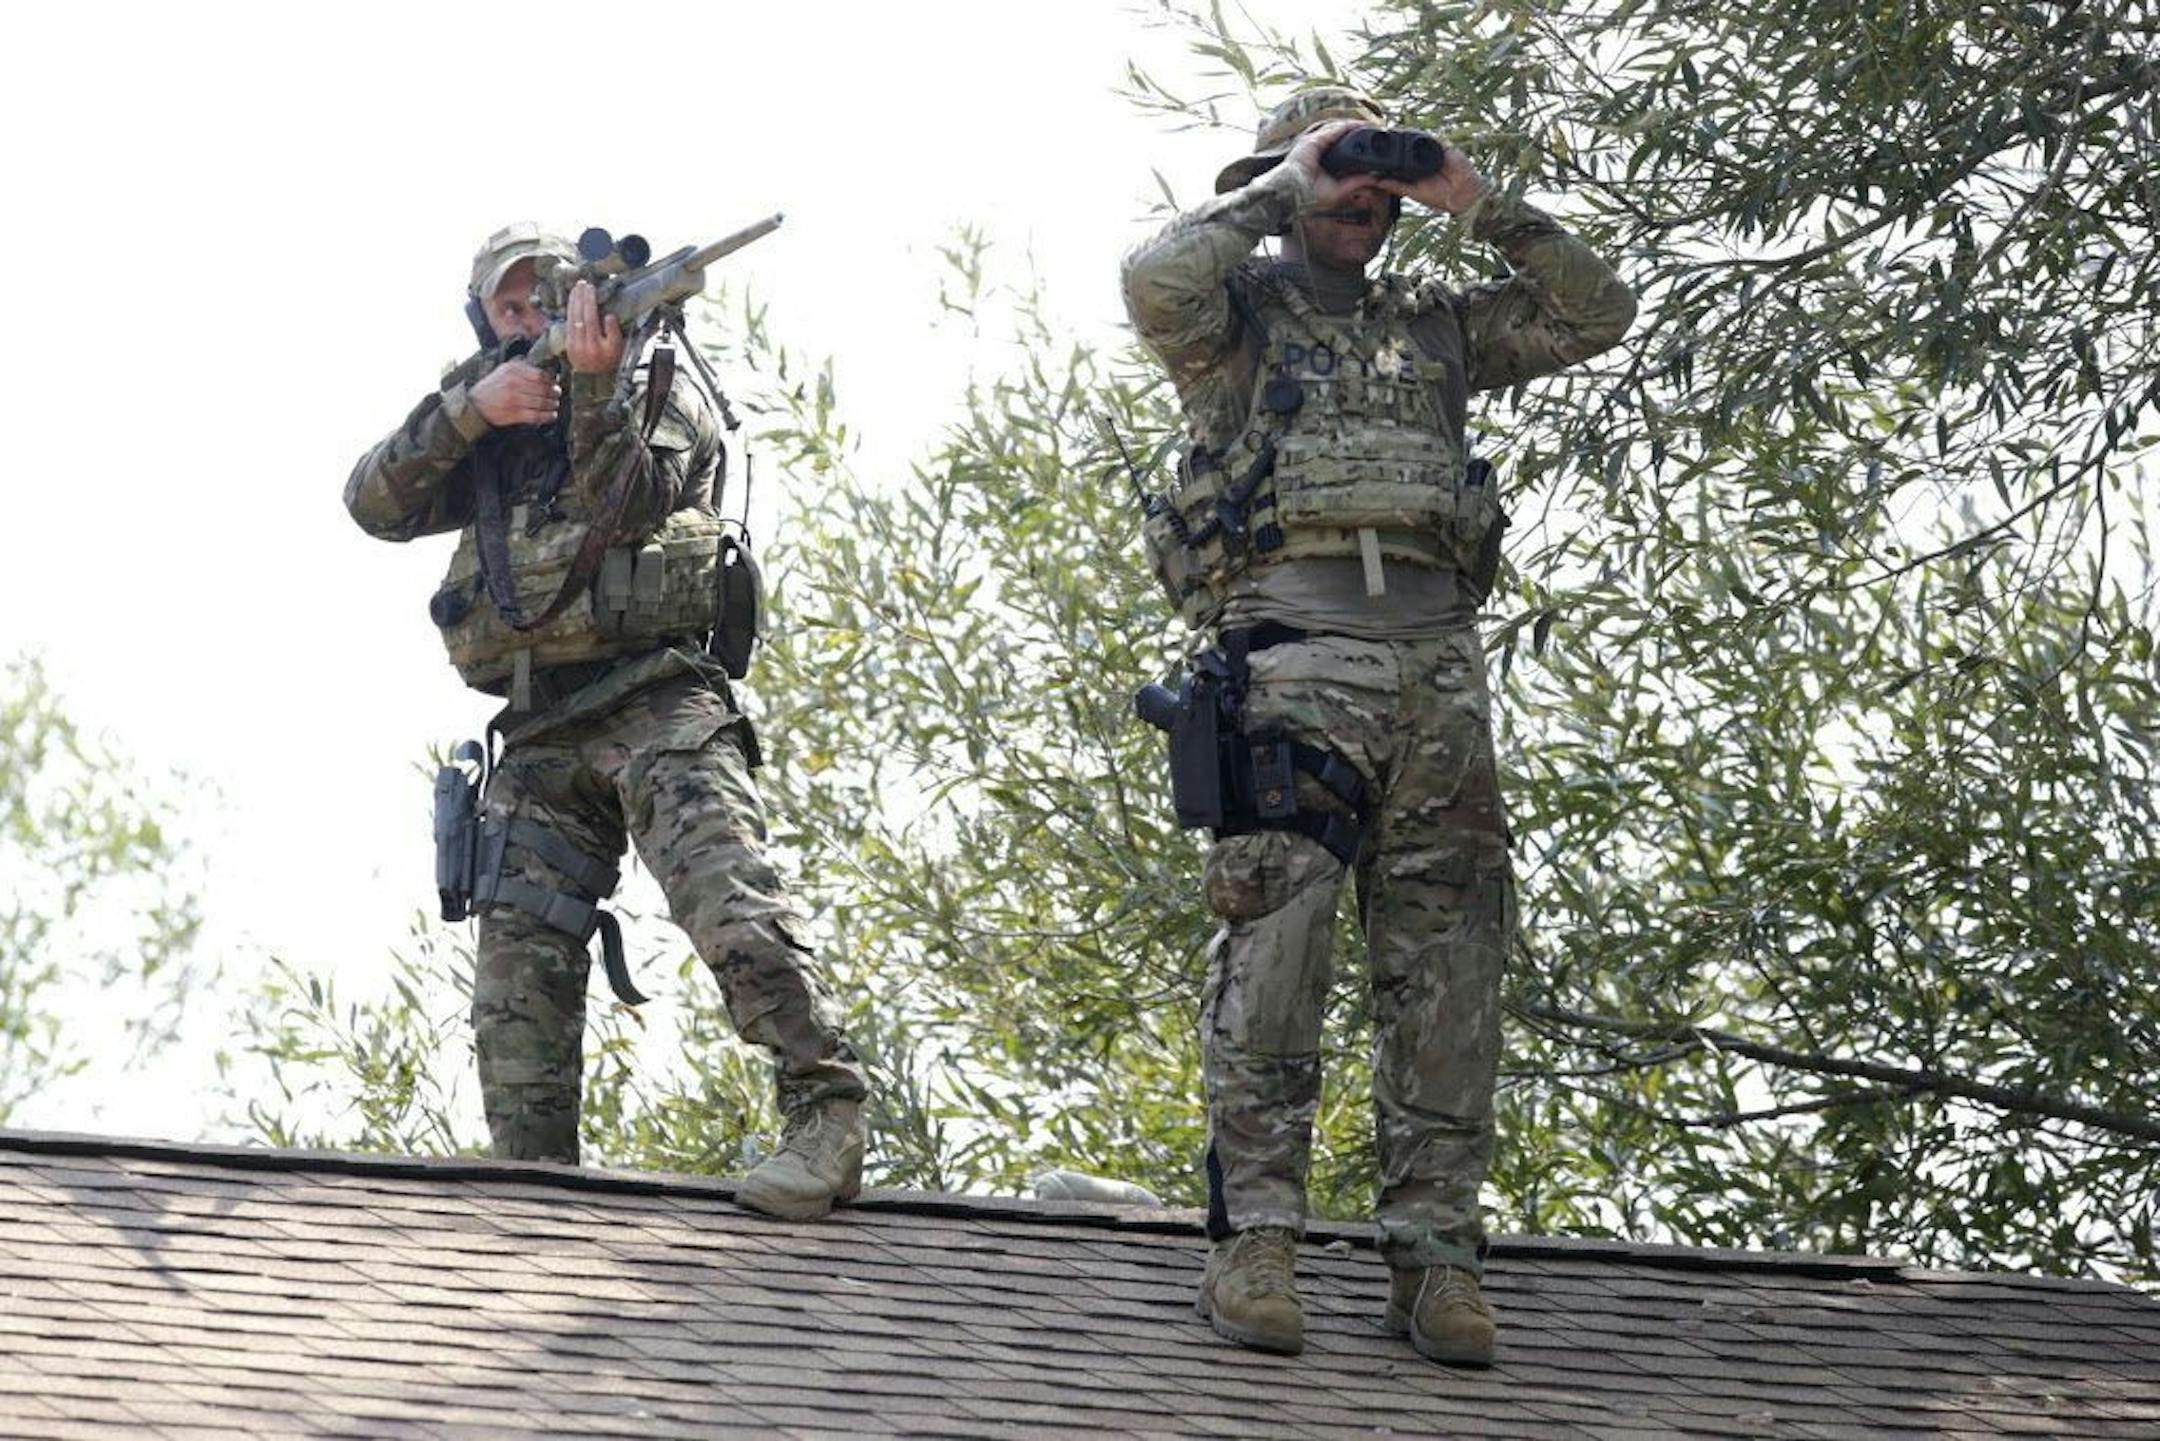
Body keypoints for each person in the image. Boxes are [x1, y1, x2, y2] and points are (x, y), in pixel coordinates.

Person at [1121, 88, 1636, 1364]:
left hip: (1439, 667)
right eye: (1340, 175)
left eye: (1376, 179)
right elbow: (1152, 279)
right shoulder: (1234, 320)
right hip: (1292, 656)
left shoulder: (1441, 325)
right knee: (1275, 951)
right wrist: (1280, 185)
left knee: (1449, 965)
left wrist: (1473, 199)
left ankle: (1438, 1256)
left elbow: (1598, 309)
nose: (1360, 195)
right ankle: (1257, 1241)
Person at [344, 223, 867, 1219]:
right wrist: (469, 410)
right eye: (510, 304)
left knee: (732, 906)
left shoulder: (656, 382)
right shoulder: (492, 425)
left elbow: (628, 503)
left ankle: (826, 1113)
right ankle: (534, 1199)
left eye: (548, 292)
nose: (532, 312)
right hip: (540, 730)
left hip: (655, 698)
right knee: (516, 983)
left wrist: (592, 384)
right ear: (486, 320)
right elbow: (374, 501)